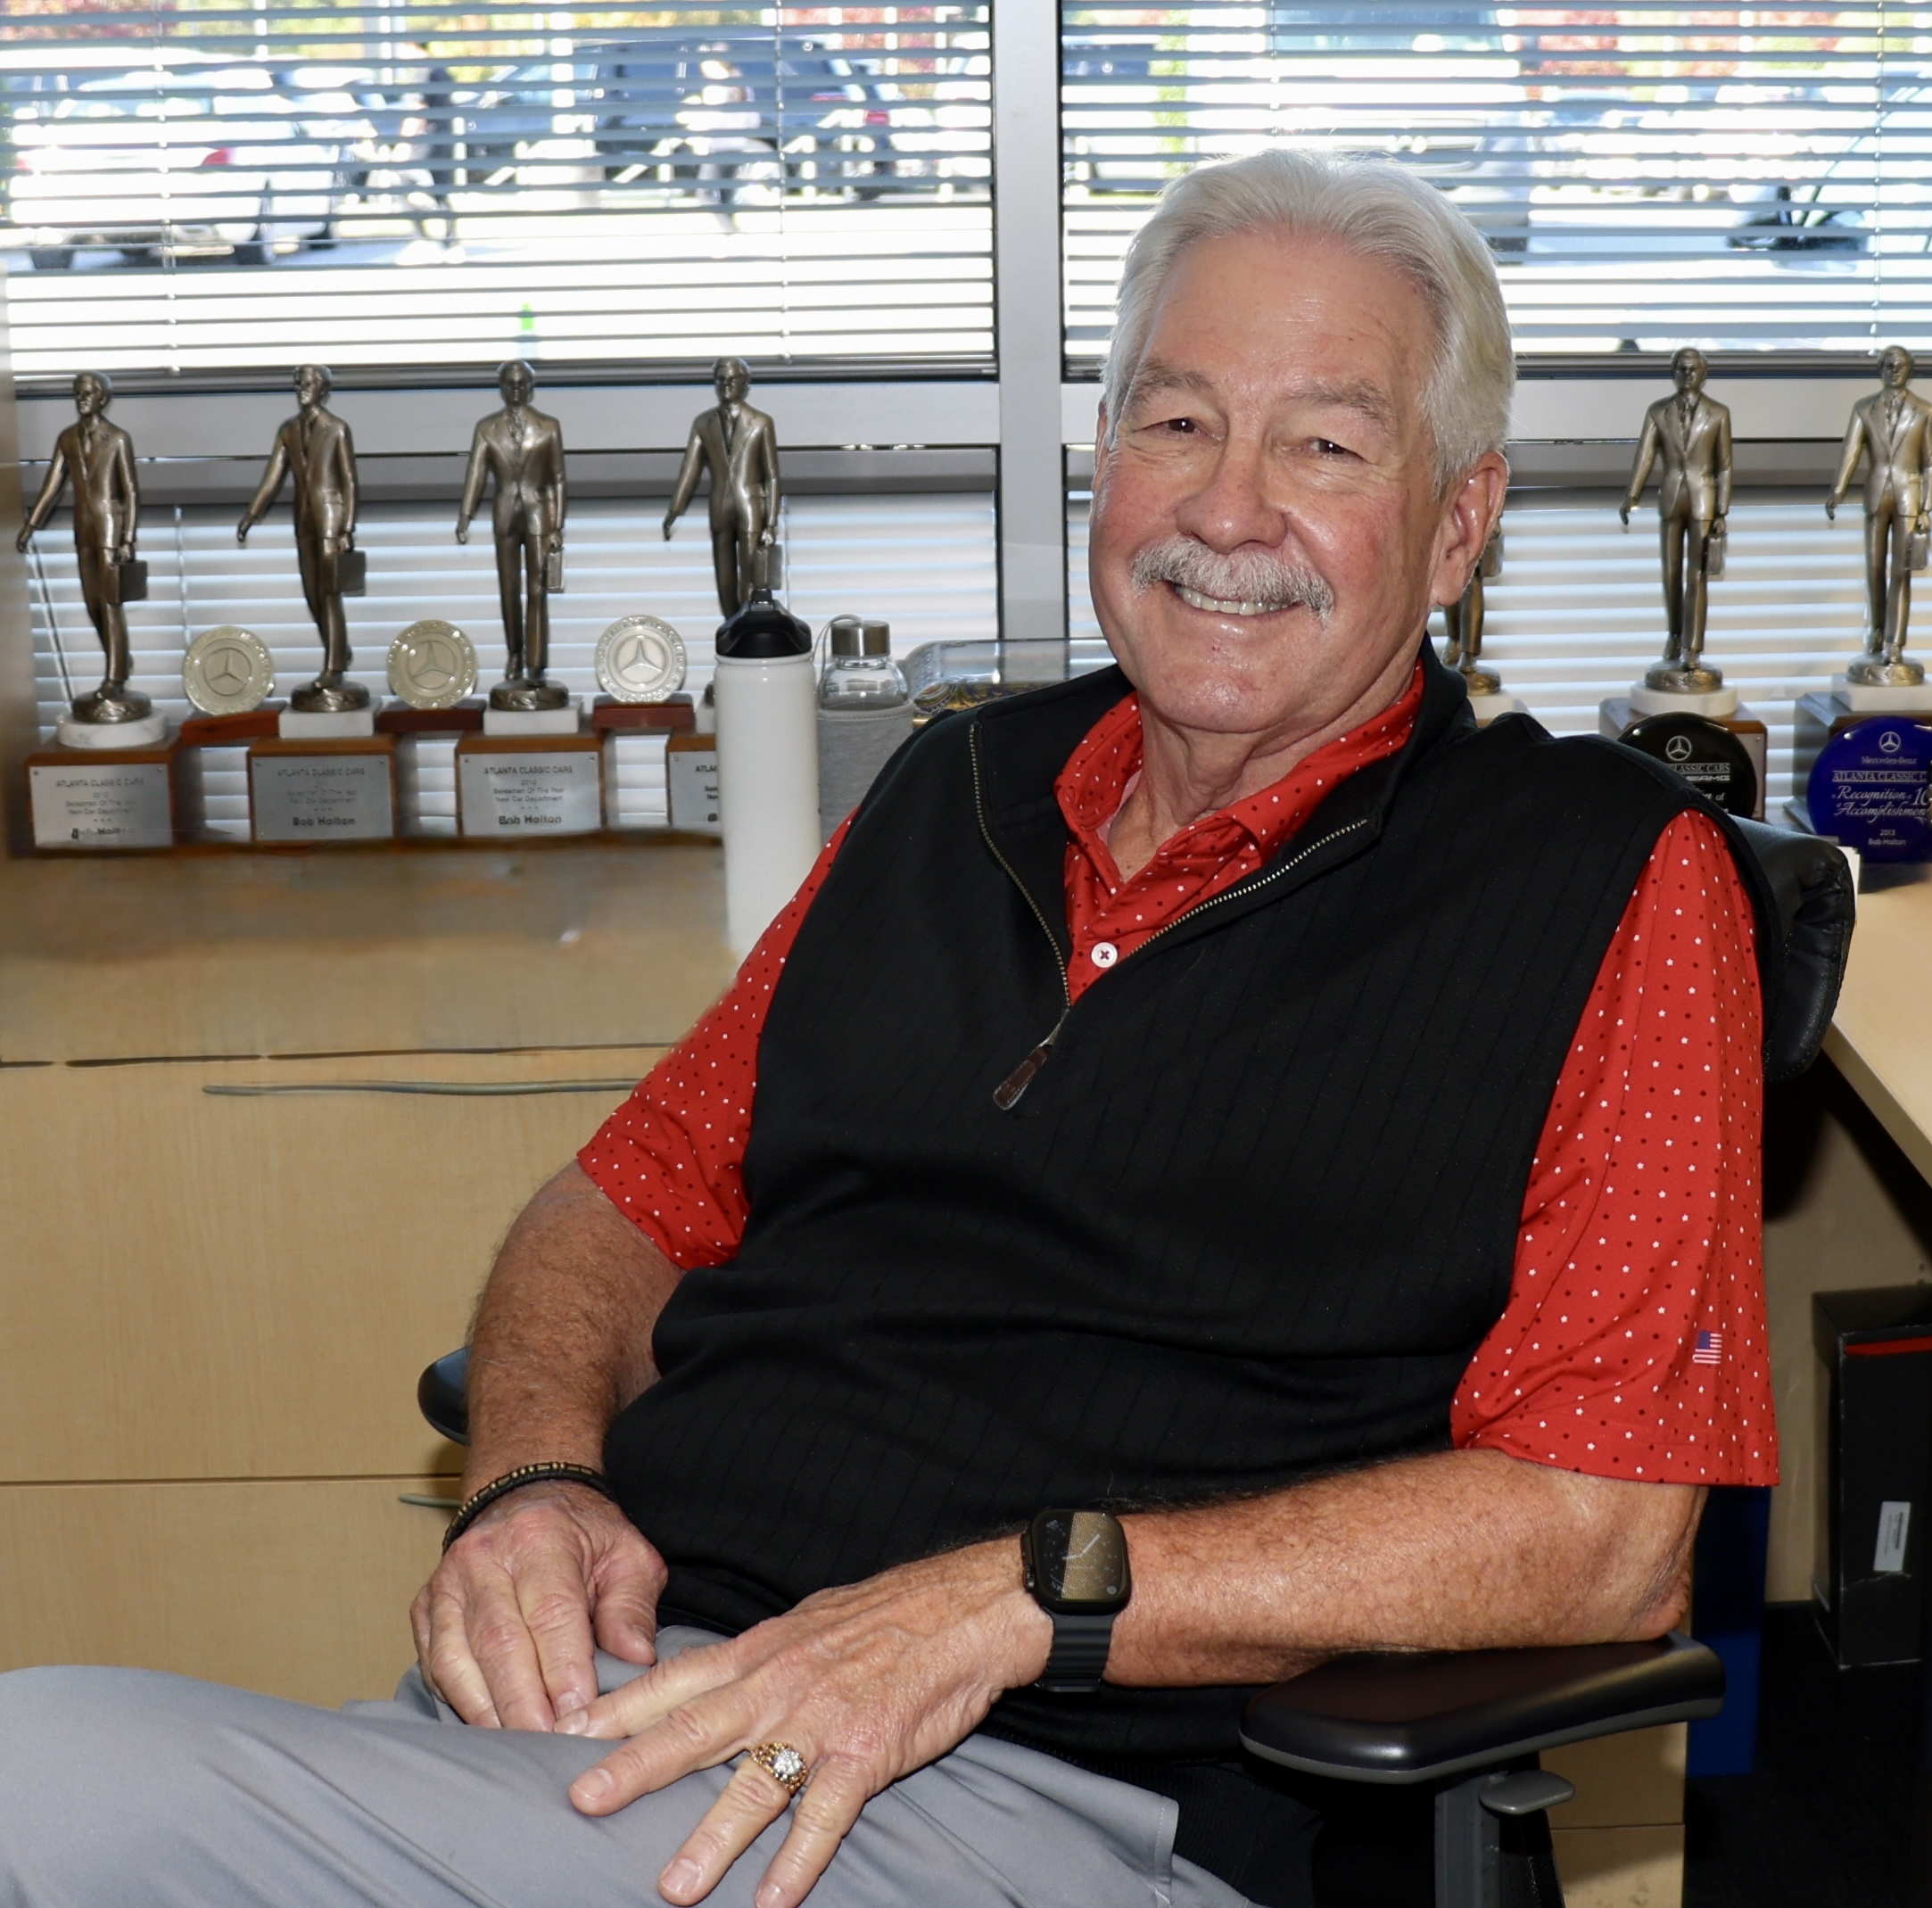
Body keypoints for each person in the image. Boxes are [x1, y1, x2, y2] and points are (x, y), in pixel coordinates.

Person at [0, 152, 1778, 1908]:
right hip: (628, 1712)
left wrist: (1014, 1596)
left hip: (1045, 1794)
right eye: (1175, 423)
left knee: (39, 1787)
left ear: (1459, 522)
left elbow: (1605, 1531)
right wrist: (534, 1476)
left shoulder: (1602, 878)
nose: (1228, 509)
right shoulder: (954, 791)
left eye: (1324, 445)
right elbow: (619, 1205)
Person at [17, 368, 145, 725]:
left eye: (87, 393)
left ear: (102, 397)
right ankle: (120, 658)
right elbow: (52, 486)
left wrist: (128, 538)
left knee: (110, 604)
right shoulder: (67, 438)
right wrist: (31, 526)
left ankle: (115, 678)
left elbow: (131, 491)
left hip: (110, 530)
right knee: (92, 604)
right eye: (77, 393)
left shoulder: (117, 438)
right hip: (83, 530)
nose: (81, 399)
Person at [238, 362, 366, 712]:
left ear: (323, 388)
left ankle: (334, 667)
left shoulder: (336, 428)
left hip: (331, 518)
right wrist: (252, 513)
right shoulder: (288, 430)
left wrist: (347, 527)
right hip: (304, 518)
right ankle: (339, 649)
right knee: (312, 593)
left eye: (309, 382)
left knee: (329, 594)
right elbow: (273, 476)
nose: (302, 388)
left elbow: (349, 481)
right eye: (298, 382)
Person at [456, 359, 569, 710]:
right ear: (501, 388)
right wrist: (465, 515)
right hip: (505, 514)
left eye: (522, 383)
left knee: (538, 590)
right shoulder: (486, 428)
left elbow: (558, 478)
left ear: (531, 387)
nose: (516, 389)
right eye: (510, 383)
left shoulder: (549, 426)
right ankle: (515, 654)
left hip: (539, 515)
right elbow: (476, 473)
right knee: (509, 590)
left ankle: (536, 664)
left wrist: (557, 525)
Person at [1620, 346, 1734, 690]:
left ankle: (1692, 648)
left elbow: (1725, 466)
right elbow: (1645, 455)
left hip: (1703, 500)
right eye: (1682, 368)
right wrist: (1632, 494)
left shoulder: (1718, 413)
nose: (1687, 374)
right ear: (1673, 372)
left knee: (1697, 576)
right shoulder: (1658, 412)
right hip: (1671, 498)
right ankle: (1673, 637)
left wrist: (1721, 510)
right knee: (1671, 574)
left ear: (1704, 373)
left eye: (1693, 368)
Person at [1827, 345, 1932, 683]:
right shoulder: (1864, 408)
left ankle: (1895, 643)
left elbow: (1930, 462)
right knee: (1874, 569)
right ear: (1880, 369)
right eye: (1889, 365)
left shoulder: (1924, 410)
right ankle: (1876, 632)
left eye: (1900, 365)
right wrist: (1838, 489)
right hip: (1876, 494)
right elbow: (1850, 450)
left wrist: (1926, 507)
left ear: (1910, 370)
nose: (1894, 370)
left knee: (1901, 572)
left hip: (1909, 496)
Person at [665, 356, 782, 617]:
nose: (726, 384)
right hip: (720, 508)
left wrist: (771, 524)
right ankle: (731, 627)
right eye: (720, 380)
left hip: (751, 507)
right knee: (724, 580)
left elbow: (772, 476)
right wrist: (675, 509)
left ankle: (748, 625)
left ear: (745, 383)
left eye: (732, 379)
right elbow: (689, 471)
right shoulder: (703, 423)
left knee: (751, 577)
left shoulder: (761, 422)